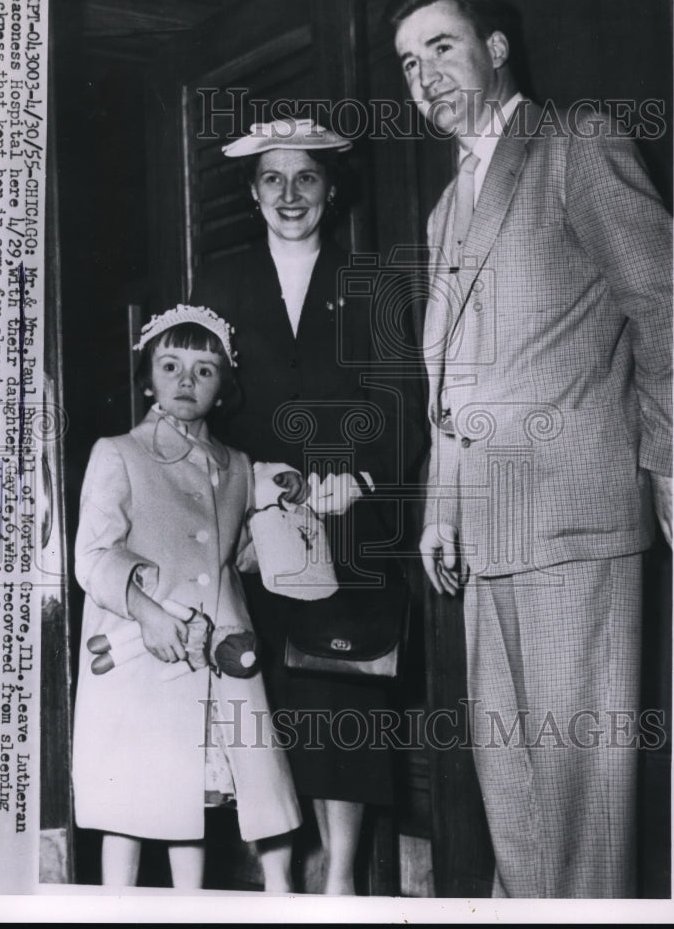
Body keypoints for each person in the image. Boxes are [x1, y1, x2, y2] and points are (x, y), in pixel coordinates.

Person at [391, 0, 672, 898]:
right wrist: (440, 507)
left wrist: (672, 466)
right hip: (482, 537)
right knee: (511, 799)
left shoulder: (572, 145)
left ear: (497, 48)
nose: (423, 74)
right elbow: (453, 377)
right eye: (406, 62)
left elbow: (667, 309)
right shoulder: (445, 208)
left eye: (440, 47)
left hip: (573, 523)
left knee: (582, 809)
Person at [191, 117, 424, 895]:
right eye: (271, 180)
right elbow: (198, 400)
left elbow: (399, 397)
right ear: (252, 192)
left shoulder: (374, 278)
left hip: (344, 521)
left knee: (339, 697)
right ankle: (278, 883)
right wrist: (241, 503)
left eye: (307, 179)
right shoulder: (218, 283)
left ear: (331, 188)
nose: (290, 195)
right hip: (249, 528)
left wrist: (354, 478)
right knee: (262, 703)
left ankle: (341, 885)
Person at [72, 304, 301, 890]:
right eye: (169, 365)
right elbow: (93, 557)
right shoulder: (119, 452)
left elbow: (241, 556)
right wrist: (147, 613)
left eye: (204, 370)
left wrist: (290, 514)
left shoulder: (239, 466)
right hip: (139, 655)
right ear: (148, 378)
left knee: (194, 806)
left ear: (225, 386)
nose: (185, 380)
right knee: (129, 809)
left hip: (219, 661)